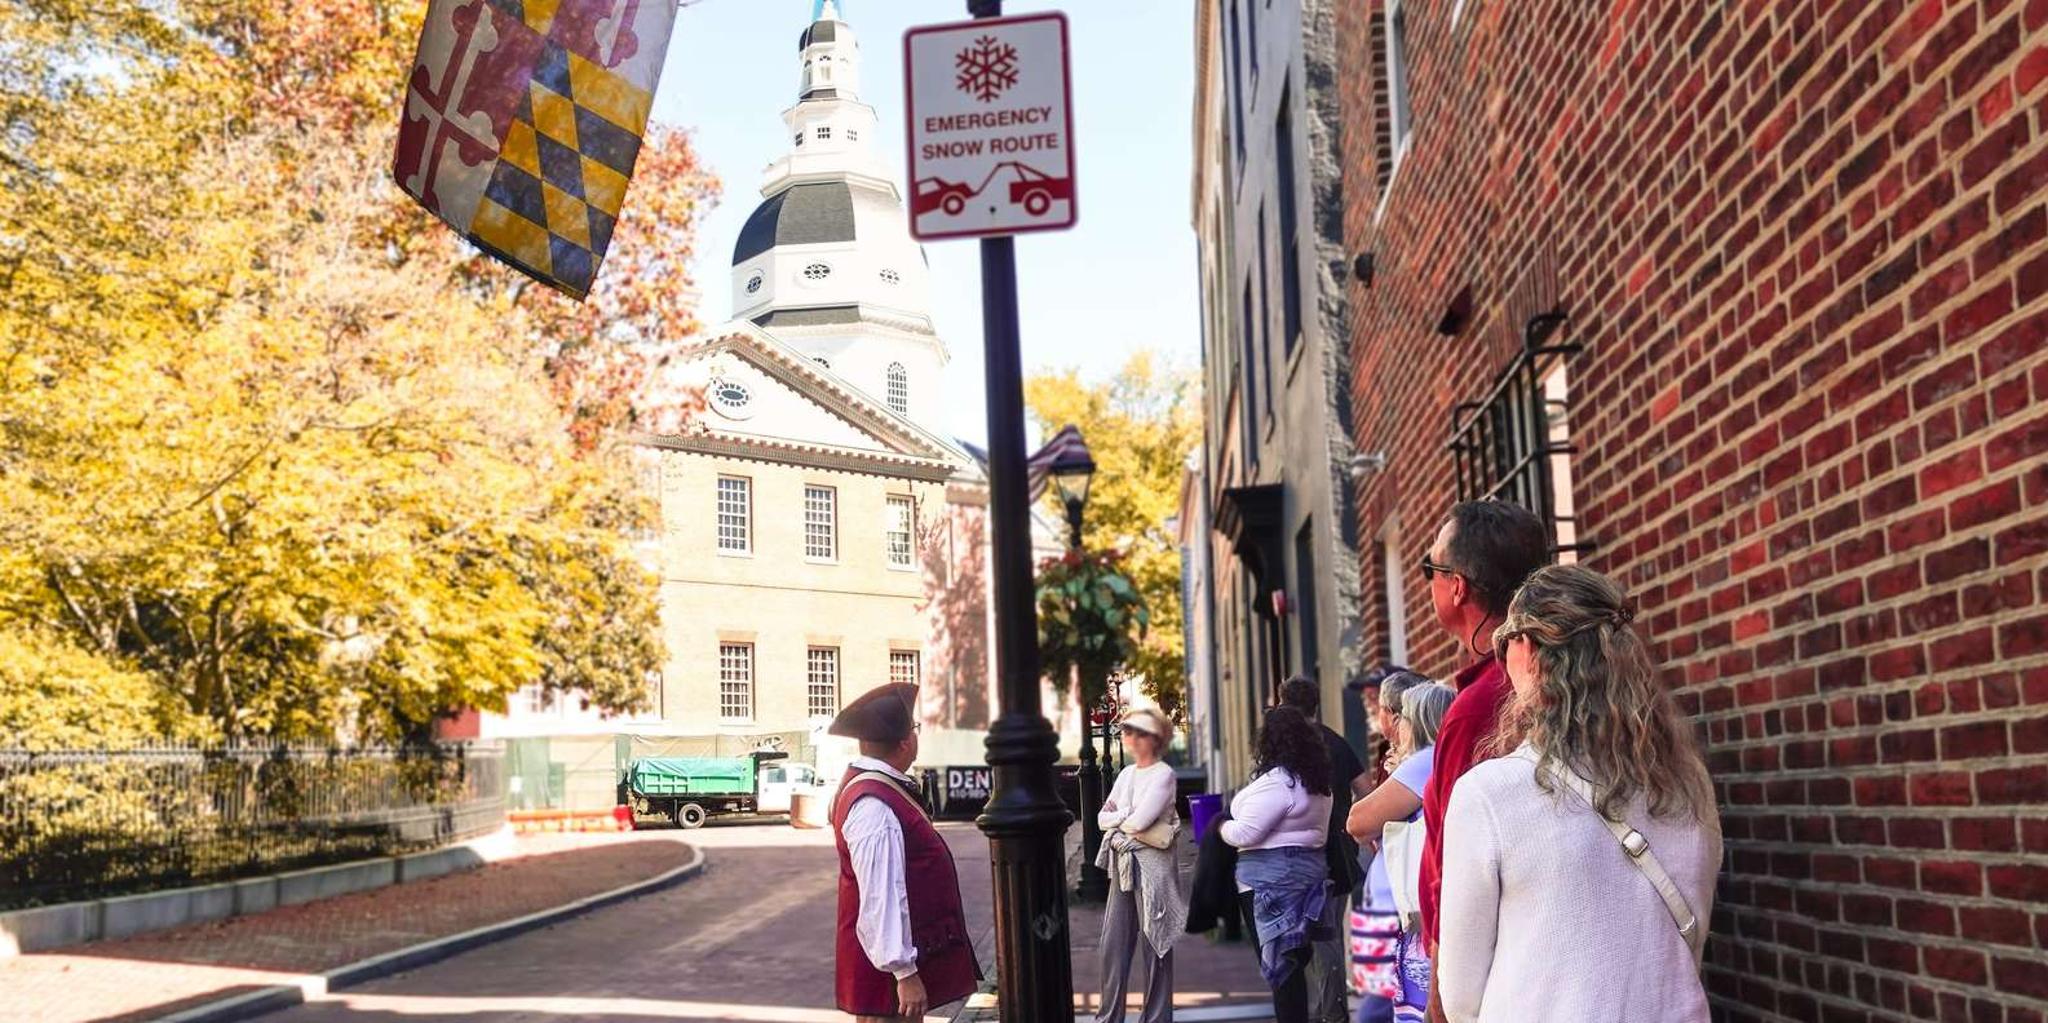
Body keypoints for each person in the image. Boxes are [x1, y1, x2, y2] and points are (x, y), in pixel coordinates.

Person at [1437, 565, 1722, 1021]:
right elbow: (1691, 932)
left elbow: (1460, 998)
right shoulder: (1687, 782)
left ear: (1525, 650)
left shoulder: (1489, 796)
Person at [1414, 500, 1550, 1023]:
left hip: (1498, 974)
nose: (1429, 582)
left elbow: (1456, 861)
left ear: (1458, 585)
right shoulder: (1525, 684)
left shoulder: (1480, 705)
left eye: (1431, 568)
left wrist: (1440, 997)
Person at [828, 682, 981, 1023]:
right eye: (914, 728)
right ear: (904, 742)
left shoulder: (876, 787)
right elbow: (881, 894)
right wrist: (904, 973)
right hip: (885, 981)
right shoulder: (874, 804)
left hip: (887, 977)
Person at [1346, 682, 1455, 1023]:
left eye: (1402, 717)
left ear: (1418, 721)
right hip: (1396, 909)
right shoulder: (1436, 759)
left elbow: (1357, 822)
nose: (1396, 725)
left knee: (1379, 1010)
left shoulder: (1424, 761)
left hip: (1396, 913)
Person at [1221, 705, 1333, 1023]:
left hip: (1269, 881)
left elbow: (1245, 832)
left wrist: (1218, 827)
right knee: (1293, 961)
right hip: (1306, 875)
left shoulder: (1279, 783)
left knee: (1281, 967)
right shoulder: (1317, 782)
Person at [1277, 676, 1372, 1023]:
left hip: (1300, 854)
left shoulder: (1286, 746)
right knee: (1328, 935)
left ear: (1284, 702)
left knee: (1296, 939)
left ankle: (1318, 1013)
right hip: (1340, 852)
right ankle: (1332, 1012)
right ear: (1316, 705)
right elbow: (1366, 789)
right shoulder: (1336, 741)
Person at [1093, 706, 1188, 1023]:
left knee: (1155, 946)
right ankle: (1109, 1017)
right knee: (1112, 944)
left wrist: (1120, 821)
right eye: (1127, 730)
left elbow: (1142, 820)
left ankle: (1157, 1017)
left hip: (1153, 867)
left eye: (1137, 731)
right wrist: (1122, 819)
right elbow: (1101, 819)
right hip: (1123, 861)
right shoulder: (1125, 775)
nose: (1129, 737)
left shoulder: (1164, 775)